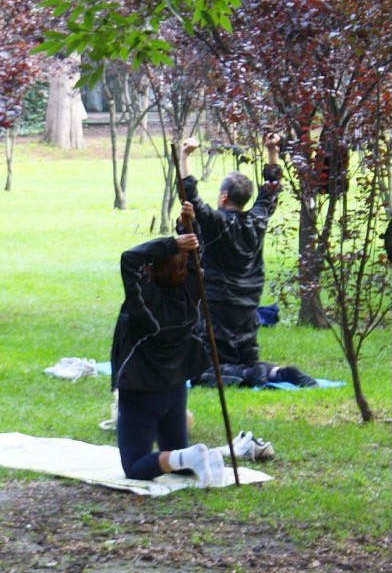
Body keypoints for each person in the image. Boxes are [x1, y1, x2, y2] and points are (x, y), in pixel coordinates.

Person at [180, 135, 316, 388]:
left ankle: (247, 377)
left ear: (223, 197)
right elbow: (272, 189)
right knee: (248, 359)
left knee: (203, 372)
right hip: (249, 303)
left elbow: (190, 195)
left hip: (217, 304)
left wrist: (185, 155)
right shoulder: (258, 219)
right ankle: (280, 373)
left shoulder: (216, 223)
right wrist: (271, 150)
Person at [111, 202, 225, 487]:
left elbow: (130, 259)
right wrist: (188, 227)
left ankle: (192, 459)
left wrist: (173, 242)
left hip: (141, 392)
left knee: (135, 466)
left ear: (153, 269)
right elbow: (198, 257)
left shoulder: (144, 302)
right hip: (174, 389)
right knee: (179, 454)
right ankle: (197, 459)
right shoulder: (192, 291)